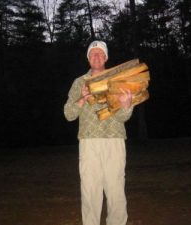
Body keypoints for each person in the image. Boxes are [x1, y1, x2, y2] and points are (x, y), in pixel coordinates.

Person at [64, 40, 133, 225]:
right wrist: (81, 100)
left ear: (106, 57)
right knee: (90, 191)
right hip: (89, 142)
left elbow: (123, 117)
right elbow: (68, 114)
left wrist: (126, 105)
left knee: (116, 190)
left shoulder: (117, 80)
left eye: (100, 53)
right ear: (88, 58)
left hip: (114, 140)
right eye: (92, 53)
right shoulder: (79, 82)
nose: (96, 56)